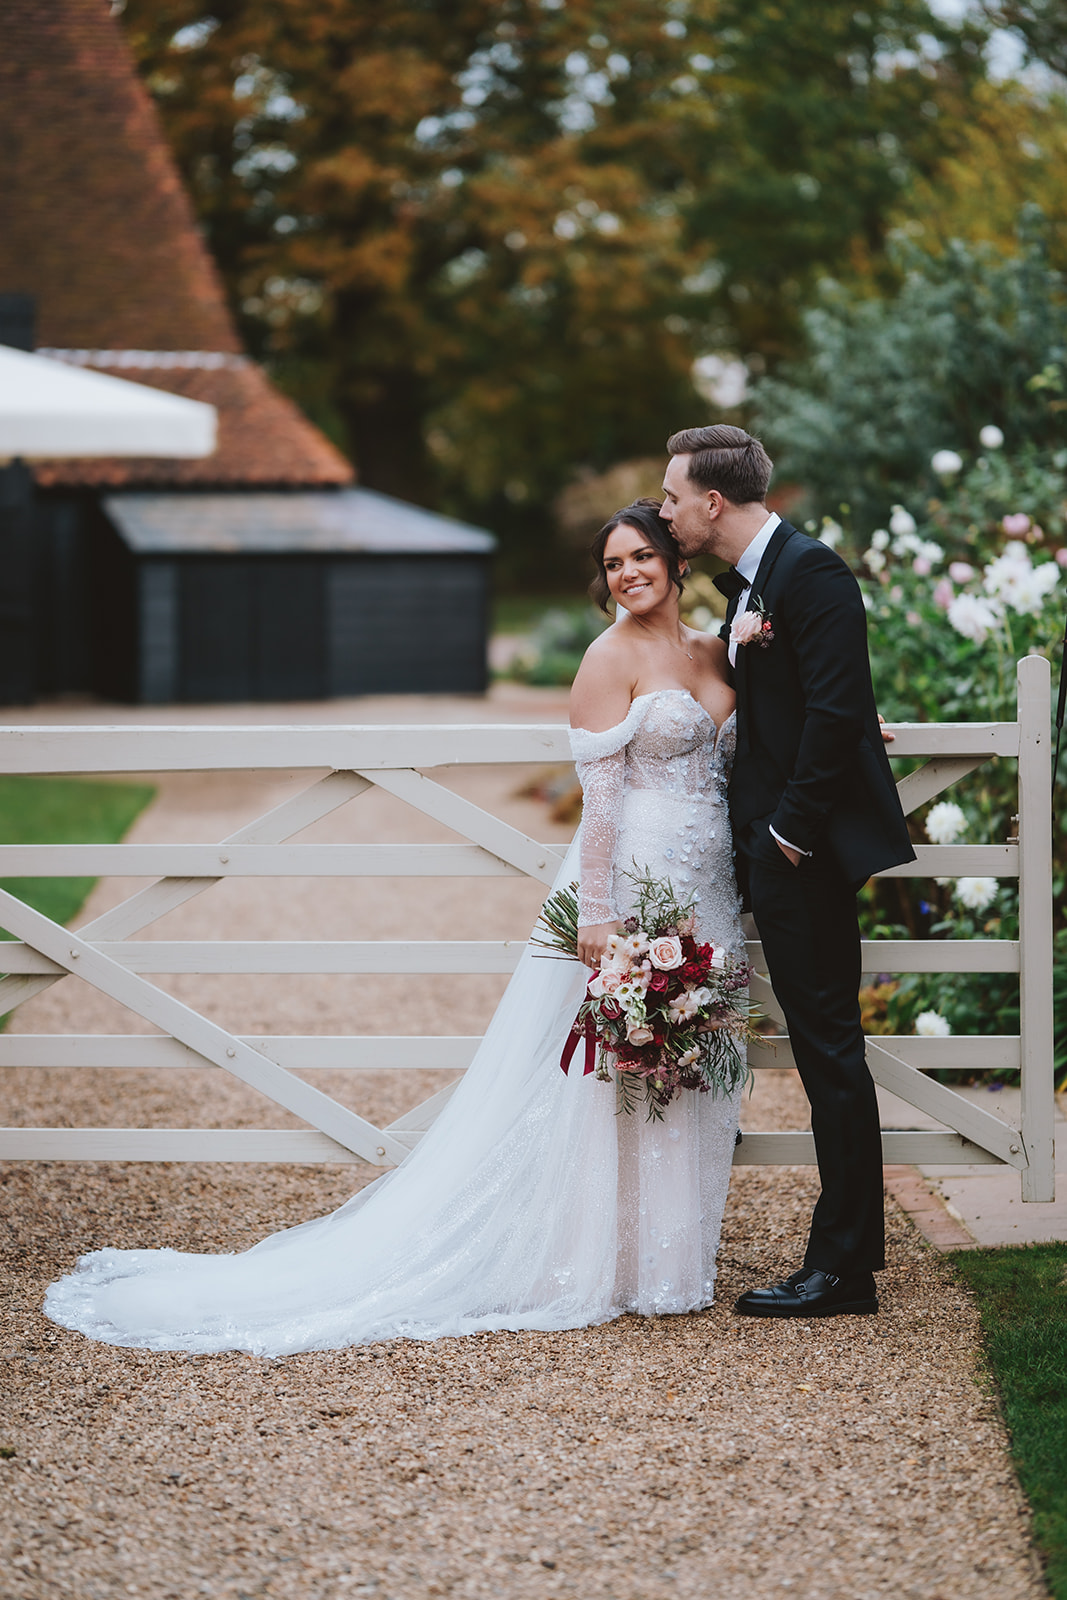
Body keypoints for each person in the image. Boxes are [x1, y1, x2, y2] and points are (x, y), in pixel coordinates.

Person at [43, 501, 747, 1356]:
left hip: (707, 887)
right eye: (612, 564)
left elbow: (749, 750)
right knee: (609, 1074)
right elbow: (598, 808)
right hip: (633, 886)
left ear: (676, 563)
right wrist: (596, 915)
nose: (627, 574)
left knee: (687, 1065)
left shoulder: (717, 650)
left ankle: (667, 1264)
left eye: (642, 556)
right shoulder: (607, 660)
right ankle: (600, 1260)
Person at [660, 424, 915, 1320]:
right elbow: (812, 698)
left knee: (829, 1053)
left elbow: (838, 706)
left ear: (712, 502)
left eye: (671, 497)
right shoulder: (758, 585)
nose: (665, 511)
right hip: (768, 851)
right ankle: (842, 1257)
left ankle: (841, 1270)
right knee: (819, 1052)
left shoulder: (811, 573)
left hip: (794, 859)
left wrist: (789, 837)